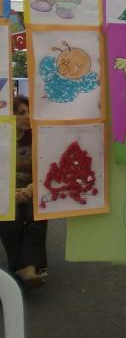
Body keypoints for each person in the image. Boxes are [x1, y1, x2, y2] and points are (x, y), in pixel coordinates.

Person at [0, 96, 48, 289]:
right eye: (21, 113)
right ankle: (20, 267)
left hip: (31, 189)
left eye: (29, 112)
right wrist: (9, 192)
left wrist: (32, 187)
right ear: (10, 115)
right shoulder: (2, 139)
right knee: (10, 216)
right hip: (5, 192)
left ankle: (30, 266)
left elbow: (45, 168)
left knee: (36, 212)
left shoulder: (36, 137)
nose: (27, 116)